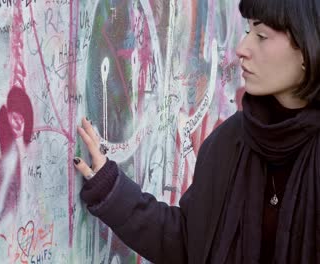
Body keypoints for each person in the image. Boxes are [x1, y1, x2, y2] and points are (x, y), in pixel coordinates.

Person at [73, 0, 320, 263]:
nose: (241, 49)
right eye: (248, 31)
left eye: (261, 36)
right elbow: (189, 243)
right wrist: (111, 188)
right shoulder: (231, 140)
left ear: (307, 48)